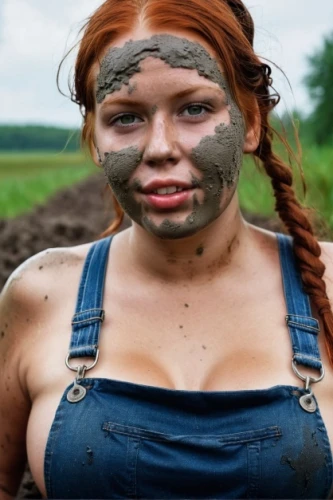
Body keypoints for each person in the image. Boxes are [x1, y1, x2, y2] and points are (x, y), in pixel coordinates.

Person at [1, 0, 333, 498]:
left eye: (194, 108)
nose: (159, 147)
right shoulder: (40, 298)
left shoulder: (327, 288)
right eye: (126, 118)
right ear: (95, 140)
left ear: (250, 122)